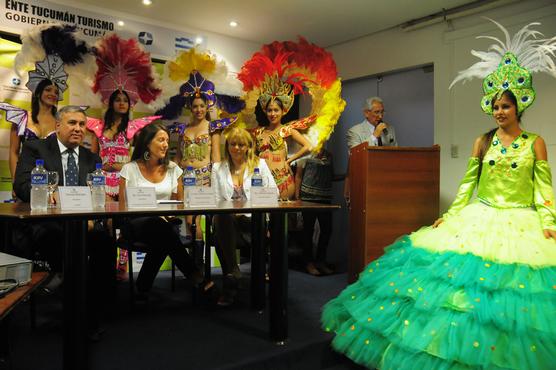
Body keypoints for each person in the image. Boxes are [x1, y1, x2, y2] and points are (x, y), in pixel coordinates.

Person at [322, 21, 556, 370]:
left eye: (505, 107)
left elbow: (544, 188)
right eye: (495, 107)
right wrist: (453, 213)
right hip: (482, 213)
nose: (499, 112)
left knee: (512, 296)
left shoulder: (535, 142)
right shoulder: (483, 140)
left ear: (518, 107)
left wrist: (548, 221)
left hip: (521, 220)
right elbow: (467, 184)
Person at [13, 105, 115, 339]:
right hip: (46, 224)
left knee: (104, 242)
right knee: (62, 242)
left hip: (82, 224)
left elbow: (95, 193)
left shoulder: (91, 158)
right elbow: (21, 186)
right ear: (58, 125)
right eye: (72, 123)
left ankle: (100, 306)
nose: (78, 129)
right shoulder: (35, 149)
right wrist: (51, 195)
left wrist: (90, 218)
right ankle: (84, 315)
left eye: (82, 124)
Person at [88, 33, 162, 278]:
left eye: (125, 100)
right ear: (111, 103)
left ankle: (122, 268)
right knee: (105, 225)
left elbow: (135, 158)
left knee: (122, 225)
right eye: (117, 100)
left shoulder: (131, 129)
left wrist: (121, 164)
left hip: (122, 181)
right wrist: (102, 166)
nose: (121, 103)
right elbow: (92, 157)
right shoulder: (98, 127)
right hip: (102, 182)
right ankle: (105, 267)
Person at [237, 38, 346, 200]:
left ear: (283, 111)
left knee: (279, 222)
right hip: (261, 179)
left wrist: (289, 161)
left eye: (276, 110)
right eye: (269, 110)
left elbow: (308, 146)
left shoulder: (287, 130)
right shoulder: (259, 131)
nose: (272, 113)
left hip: (282, 180)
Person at [119, 122, 212, 297]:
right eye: (161, 140)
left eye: (167, 141)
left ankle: (143, 288)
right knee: (161, 230)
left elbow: (180, 204)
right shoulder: (129, 169)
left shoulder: (173, 170)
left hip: (166, 224)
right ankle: (196, 276)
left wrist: (168, 216)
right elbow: (123, 208)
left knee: (162, 235)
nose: (166, 145)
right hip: (135, 224)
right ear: (147, 142)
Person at [211, 127, 278, 306]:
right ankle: (233, 271)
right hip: (228, 221)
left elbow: (274, 192)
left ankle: (230, 282)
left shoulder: (260, 165)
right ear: (227, 146)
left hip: (253, 221)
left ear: (249, 146)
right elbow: (216, 199)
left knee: (221, 233)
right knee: (222, 217)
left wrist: (269, 224)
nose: (237, 148)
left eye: (241, 144)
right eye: (233, 144)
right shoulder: (218, 168)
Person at [344, 97, 398, 205]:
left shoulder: (389, 129)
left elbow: (396, 154)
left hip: (386, 181)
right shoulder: (354, 131)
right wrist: (374, 136)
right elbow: (355, 156)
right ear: (366, 113)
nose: (380, 116)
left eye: (382, 112)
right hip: (364, 182)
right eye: (376, 112)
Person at [294, 147, 335, 276]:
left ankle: (320, 261)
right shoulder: (306, 152)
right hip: (308, 197)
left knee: (327, 229)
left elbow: (331, 175)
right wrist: (297, 197)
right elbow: (299, 175)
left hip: (325, 197)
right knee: (308, 230)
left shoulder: (329, 155)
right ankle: (308, 263)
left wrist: (349, 176)